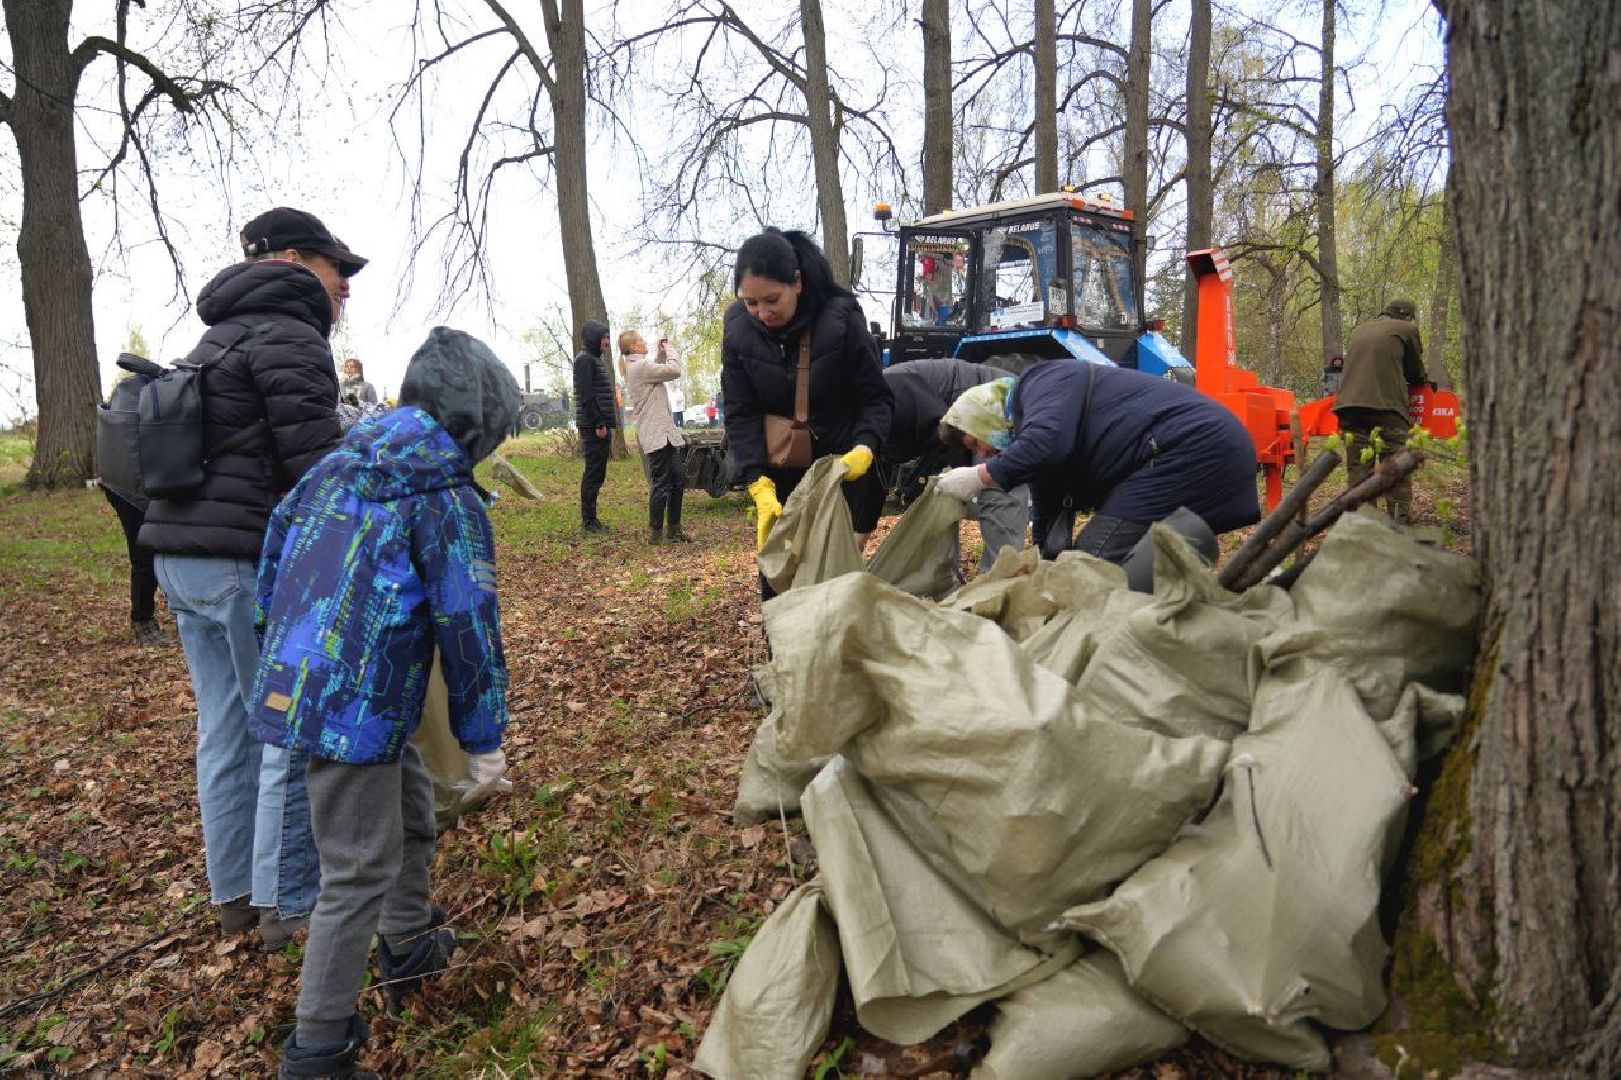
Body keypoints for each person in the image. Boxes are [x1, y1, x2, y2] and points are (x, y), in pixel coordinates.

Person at [250, 327, 515, 1080]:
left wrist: (289, 658)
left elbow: (274, 558)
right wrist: (482, 733)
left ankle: (408, 942)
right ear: (477, 422)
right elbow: (468, 623)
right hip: (351, 705)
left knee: (410, 815)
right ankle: (319, 1046)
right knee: (357, 867)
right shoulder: (444, 494)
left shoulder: (339, 462)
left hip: (325, 685)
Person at [139, 206, 364, 946]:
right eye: (339, 273)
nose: (345, 291)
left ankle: (234, 892)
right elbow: (317, 467)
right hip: (243, 562)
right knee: (284, 730)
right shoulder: (290, 334)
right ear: (296, 261)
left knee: (224, 731)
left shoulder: (218, 334)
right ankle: (289, 905)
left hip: (179, 560)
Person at [935, 360, 1260, 566]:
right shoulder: (1037, 419)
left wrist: (980, 476)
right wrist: (1043, 558)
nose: (984, 453)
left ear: (982, 418)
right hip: (1196, 450)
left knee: (1092, 562)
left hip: (1192, 446)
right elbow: (1049, 497)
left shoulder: (1041, 381)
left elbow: (1048, 445)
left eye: (975, 442)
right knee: (1143, 566)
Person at [722, 227, 893, 586]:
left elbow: (876, 398)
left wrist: (865, 447)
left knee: (830, 581)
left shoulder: (841, 319)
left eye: (772, 300)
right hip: (779, 471)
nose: (761, 313)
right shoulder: (738, 330)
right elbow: (741, 411)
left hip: (840, 473)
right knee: (778, 579)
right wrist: (757, 481)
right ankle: (781, 643)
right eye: (750, 303)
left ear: (796, 283)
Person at [856, 357, 1029, 571]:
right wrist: (860, 536)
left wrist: (967, 477)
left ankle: (999, 585)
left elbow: (941, 429)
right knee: (935, 497)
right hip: (951, 425)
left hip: (993, 404)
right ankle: (943, 579)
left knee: (998, 492)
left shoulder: (888, 398)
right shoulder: (866, 434)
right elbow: (877, 477)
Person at [1334, 299, 1428, 523]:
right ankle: (1398, 523)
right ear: (1408, 316)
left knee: (1359, 469)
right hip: (1387, 407)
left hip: (1348, 407)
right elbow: (1415, 374)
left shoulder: (1360, 330)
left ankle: (1362, 524)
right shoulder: (1407, 329)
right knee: (1396, 463)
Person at [622, 329, 692, 544]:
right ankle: (656, 533)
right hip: (655, 433)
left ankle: (674, 529)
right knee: (661, 483)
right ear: (633, 347)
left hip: (664, 432)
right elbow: (673, 370)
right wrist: (670, 350)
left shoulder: (639, 366)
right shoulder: (639, 367)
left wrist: (660, 354)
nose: (645, 342)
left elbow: (657, 368)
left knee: (677, 480)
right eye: (641, 340)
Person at [573, 318, 616, 534]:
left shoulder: (593, 359)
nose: (607, 341)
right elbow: (587, 396)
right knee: (593, 473)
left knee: (597, 473)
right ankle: (588, 522)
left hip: (600, 426)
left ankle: (591, 520)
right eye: (603, 337)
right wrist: (599, 422)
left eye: (608, 337)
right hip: (594, 427)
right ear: (592, 338)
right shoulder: (584, 360)